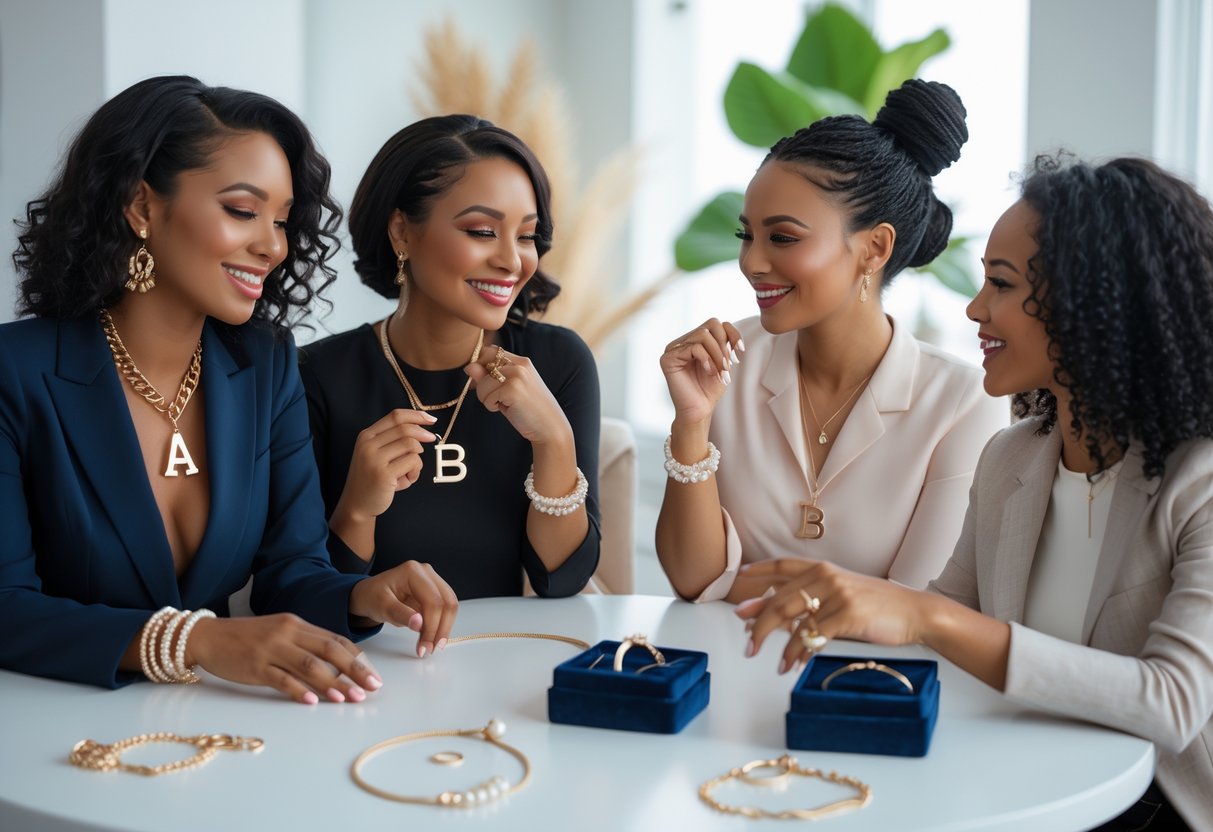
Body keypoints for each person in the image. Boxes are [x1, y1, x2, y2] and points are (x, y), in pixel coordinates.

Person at [739, 155, 1213, 830]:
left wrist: (922, 615)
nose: (974, 308)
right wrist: (843, 608)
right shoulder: (1011, 457)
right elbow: (943, 625)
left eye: (1001, 283)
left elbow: (1172, 703)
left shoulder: (1199, 481)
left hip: (1153, 809)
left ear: (1093, 302)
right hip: (1014, 784)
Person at [0, 76, 458, 701]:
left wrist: (361, 596)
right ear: (141, 207)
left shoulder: (265, 364)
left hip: (217, 726)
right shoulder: (16, 372)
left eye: (282, 221)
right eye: (243, 211)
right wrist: (194, 640)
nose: (272, 246)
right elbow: (7, 606)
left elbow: (291, 572)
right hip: (48, 725)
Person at [656, 80, 1007, 603]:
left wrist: (739, 582)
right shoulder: (725, 365)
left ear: (875, 248)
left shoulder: (962, 404)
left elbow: (913, 611)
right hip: (717, 654)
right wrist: (691, 423)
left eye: (783, 237)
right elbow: (695, 580)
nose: (752, 262)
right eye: (746, 235)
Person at [300, 115, 600, 599]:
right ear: (401, 231)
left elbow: (561, 578)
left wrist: (554, 441)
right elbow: (311, 596)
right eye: (482, 231)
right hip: (379, 648)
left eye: (526, 236)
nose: (511, 260)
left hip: (506, 644)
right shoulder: (316, 376)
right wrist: (356, 509)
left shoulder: (558, 361)